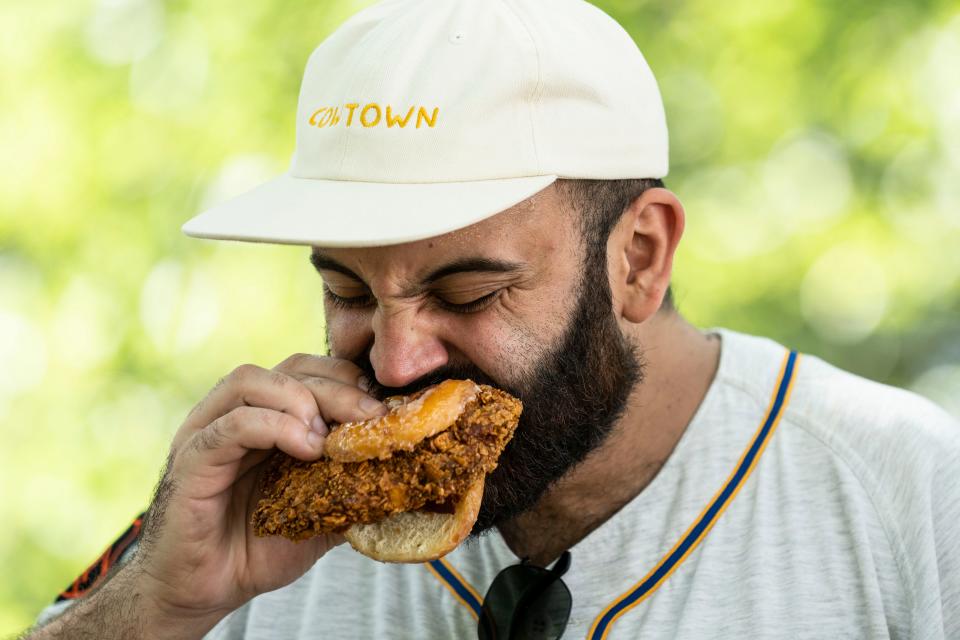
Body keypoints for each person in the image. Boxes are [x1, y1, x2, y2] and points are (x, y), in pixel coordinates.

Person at [24, 0, 960, 638]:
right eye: (348, 291)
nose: (394, 362)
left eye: (469, 294)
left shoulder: (909, 493)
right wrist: (153, 607)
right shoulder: (261, 520)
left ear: (639, 258)